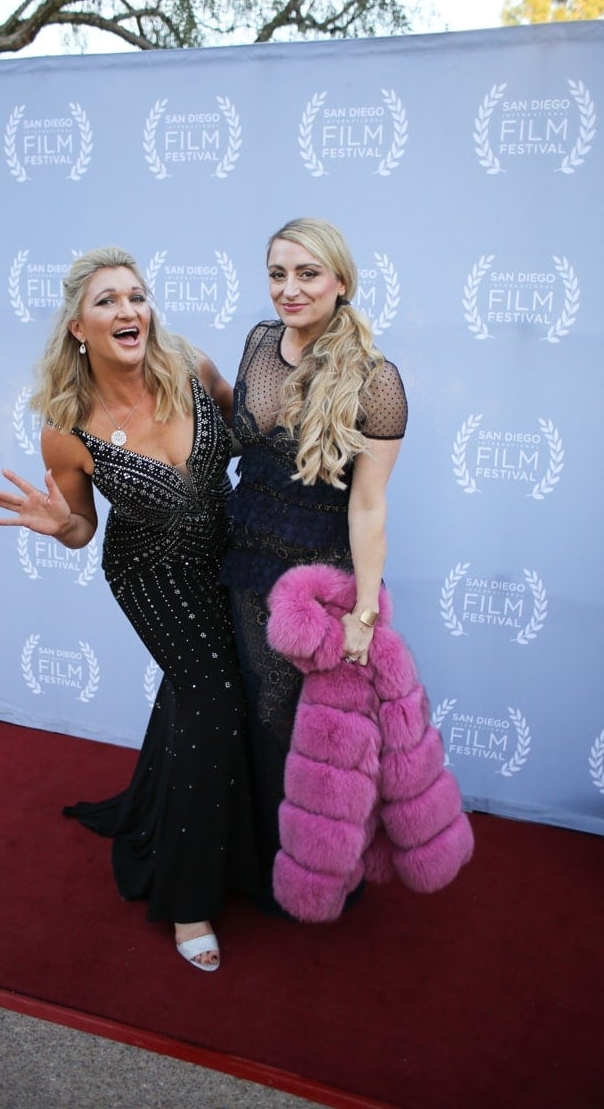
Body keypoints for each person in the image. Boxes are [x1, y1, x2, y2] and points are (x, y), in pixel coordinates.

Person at [0, 246, 258, 971]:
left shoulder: (192, 368)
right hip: (152, 574)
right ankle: (189, 896)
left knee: (228, 694)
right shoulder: (67, 428)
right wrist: (60, 524)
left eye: (136, 296)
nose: (128, 310)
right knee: (214, 698)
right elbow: (82, 530)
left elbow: (254, 441)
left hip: (228, 554)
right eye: (107, 300)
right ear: (79, 326)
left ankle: (171, 815)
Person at [221, 217, 408, 916]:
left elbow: (368, 509)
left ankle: (322, 877)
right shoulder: (259, 342)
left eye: (306, 274)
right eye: (277, 274)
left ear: (340, 282)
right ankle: (261, 865)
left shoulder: (376, 382)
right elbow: (237, 432)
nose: (289, 289)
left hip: (318, 588)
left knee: (316, 737)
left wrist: (363, 610)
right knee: (259, 723)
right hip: (245, 565)